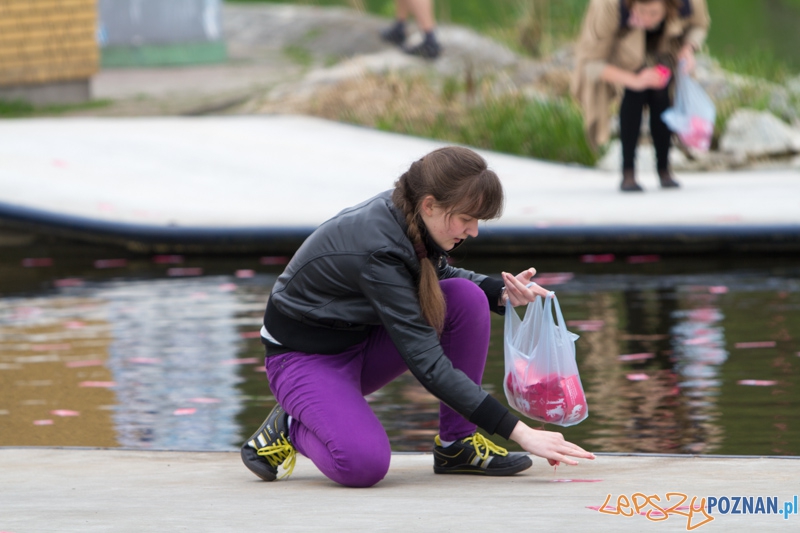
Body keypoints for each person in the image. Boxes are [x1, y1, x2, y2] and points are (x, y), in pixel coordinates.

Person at [240, 146, 594, 488]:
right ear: (430, 205)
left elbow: (434, 274)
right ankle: (290, 423)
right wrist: (522, 433)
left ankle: (459, 447)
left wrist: (500, 293)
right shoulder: (378, 248)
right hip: (303, 359)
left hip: (359, 341)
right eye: (467, 219)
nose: (473, 231)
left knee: (467, 298)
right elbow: (428, 365)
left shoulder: (410, 215)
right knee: (364, 465)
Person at [571, 0, 710, 192]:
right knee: (634, 96)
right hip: (622, 56)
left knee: (661, 96)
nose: (647, 18)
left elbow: (699, 24)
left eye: (654, 13)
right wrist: (634, 80)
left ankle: (664, 170)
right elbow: (591, 63)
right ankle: (628, 173)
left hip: (663, 52)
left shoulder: (687, 3)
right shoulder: (608, 6)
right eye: (642, 12)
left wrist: (688, 48)